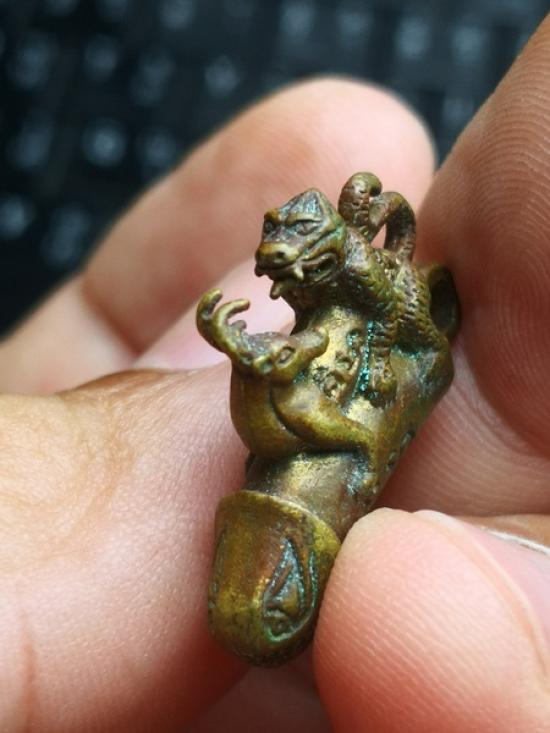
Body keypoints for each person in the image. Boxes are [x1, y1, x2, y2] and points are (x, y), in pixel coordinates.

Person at [1, 15, 550, 733]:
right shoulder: (317, 298)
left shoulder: (363, 278)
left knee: (382, 370)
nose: (276, 277)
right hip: (310, 428)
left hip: (378, 357)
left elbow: (396, 318)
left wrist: (368, 363)